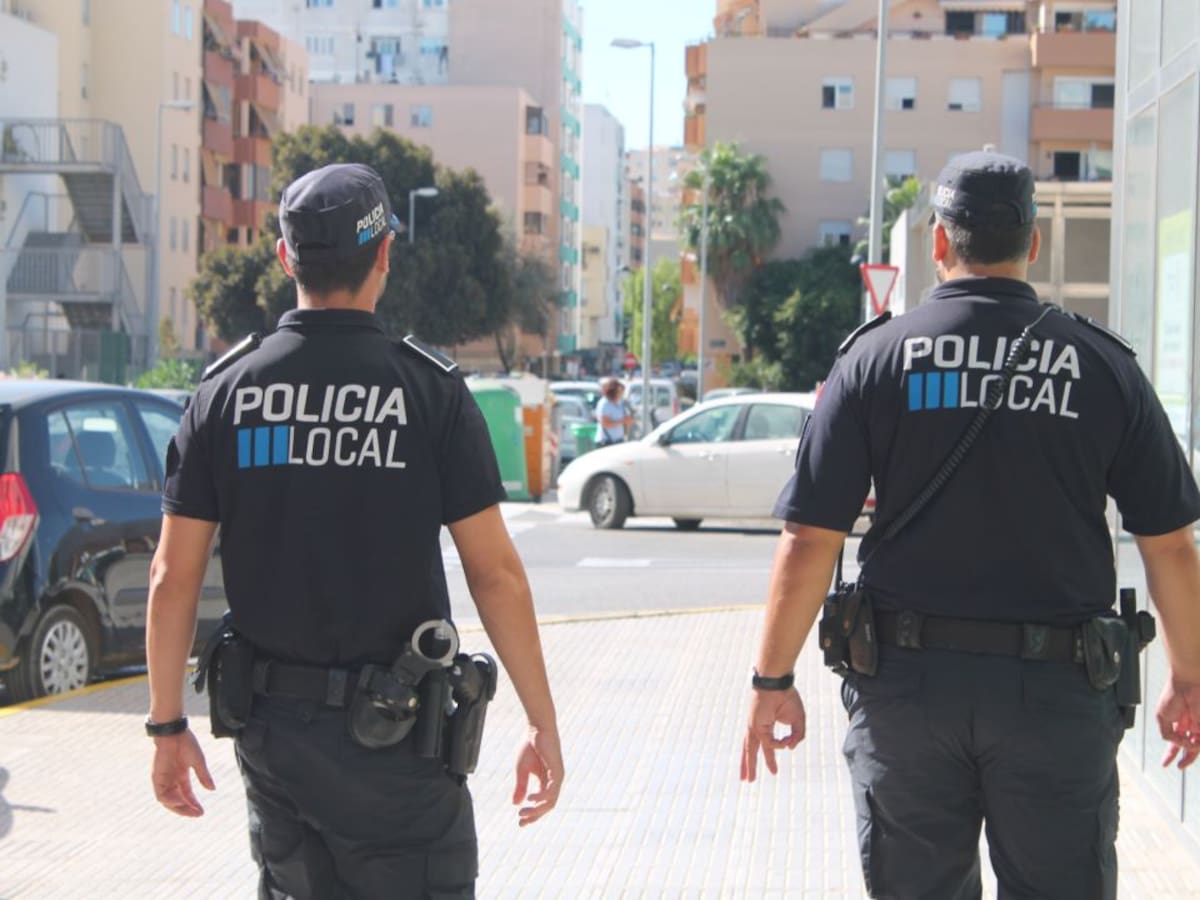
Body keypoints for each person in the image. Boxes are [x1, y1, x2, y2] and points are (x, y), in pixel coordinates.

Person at [740, 151, 1200, 900]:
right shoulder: (1101, 365)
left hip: (907, 695)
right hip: (1057, 696)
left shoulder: (875, 359)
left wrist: (773, 680)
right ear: (1033, 244)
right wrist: (1189, 678)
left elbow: (809, 540)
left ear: (939, 241)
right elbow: (1170, 545)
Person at [145, 163, 563, 899]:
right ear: (384, 254)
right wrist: (540, 721)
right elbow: (494, 573)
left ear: (286, 259)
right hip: (399, 748)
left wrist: (166, 726)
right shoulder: (428, 391)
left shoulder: (226, 392)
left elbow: (171, 576)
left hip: (275, 742)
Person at [595, 377, 633, 445]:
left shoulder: (620, 403)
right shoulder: (604, 403)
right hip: (606, 441)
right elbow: (605, 424)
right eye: (618, 392)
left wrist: (628, 420)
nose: (620, 394)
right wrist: (623, 421)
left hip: (619, 440)